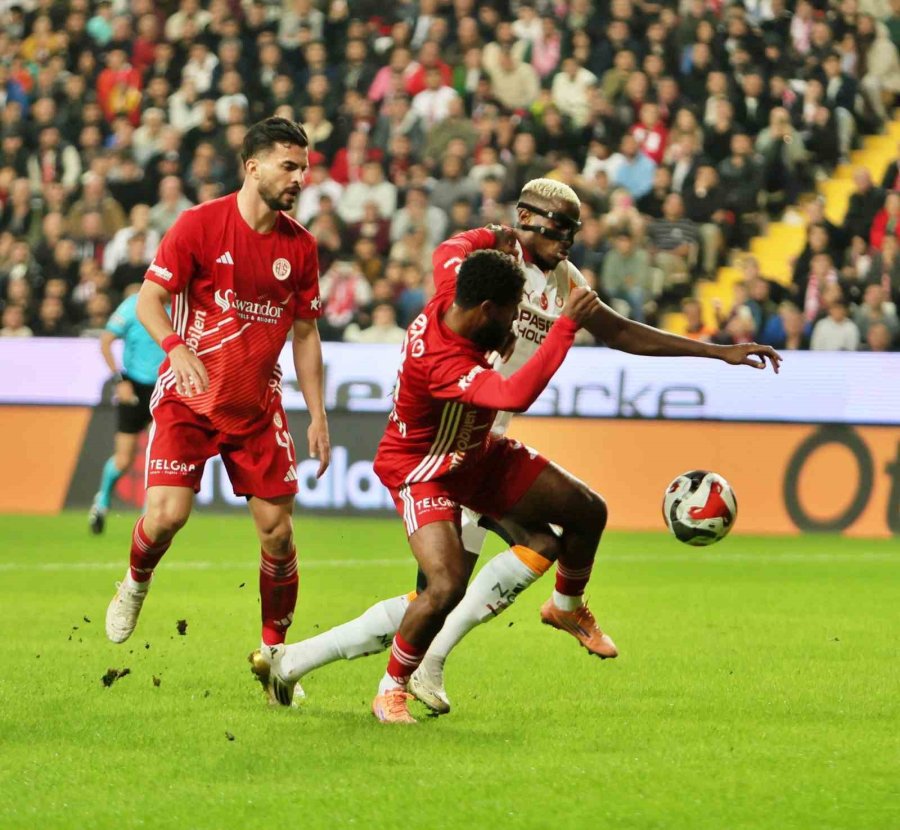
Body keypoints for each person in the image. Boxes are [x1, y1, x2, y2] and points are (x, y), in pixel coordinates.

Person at [250, 178, 782, 717]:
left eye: (573, 229)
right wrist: (511, 257)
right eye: (557, 227)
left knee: (538, 545)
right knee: (438, 592)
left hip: (486, 437)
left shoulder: (563, 277)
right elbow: (450, 264)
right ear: (526, 220)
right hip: (441, 443)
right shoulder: (487, 265)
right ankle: (321, 664)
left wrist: (718, 352)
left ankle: (511, 627)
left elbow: (623, 333)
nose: (567, 239)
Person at [104, 118, 331, 698]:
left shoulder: (301, 247)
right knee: (166, 517)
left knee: (278, 534)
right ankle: (134, 581)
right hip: (189, 399)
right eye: (289, 165)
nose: (299, 178)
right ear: (252, 166)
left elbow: (305, 333)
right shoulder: (199, 225)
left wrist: (318, 414)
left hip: (255, 407)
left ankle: (277, 656)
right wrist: (176, 347)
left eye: (303, 167)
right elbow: (148, 299)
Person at [88, 291, 168, 533]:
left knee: (158, 458)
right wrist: (119, 380)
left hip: (165, 389)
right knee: (124, 459)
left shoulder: (181, 307)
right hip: (134, 387)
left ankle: (148, 518)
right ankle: (102, 502)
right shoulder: (134, 305)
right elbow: (106, 341)